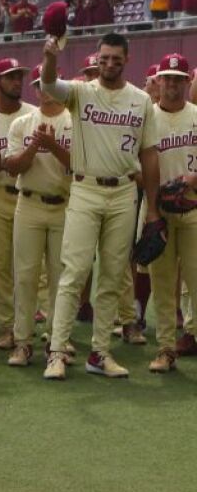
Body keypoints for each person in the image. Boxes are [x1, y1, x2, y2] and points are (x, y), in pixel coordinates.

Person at [40, 32, 161, 379]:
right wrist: (49, 55)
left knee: (111, 276)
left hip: (124, 192)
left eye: (116, 59)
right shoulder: (81, 92)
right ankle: (57, 352)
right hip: (86, 189)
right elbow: (49, 83)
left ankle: (99, 353)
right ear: (96, 58)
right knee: (74, 272)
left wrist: (152, 207)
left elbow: (149, 154)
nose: (109, 64)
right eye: (104, 58)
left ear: (127, 60)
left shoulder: (141, 101)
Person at [5, 67, 74, 366]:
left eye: (51, 84)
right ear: (35, 89)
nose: (45, 90)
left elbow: (81, 165)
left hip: (65, 203)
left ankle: (58, 341)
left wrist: (53, 145)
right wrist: (36, 145)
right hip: (29, 201)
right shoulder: (22, 123)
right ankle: (22, 341)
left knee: (62, 277)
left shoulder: (74, 120)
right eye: (40, 85)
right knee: (25, 276)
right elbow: (12, 167)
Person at [145, 53, 197, 372]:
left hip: (193, 208)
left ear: (188, 82)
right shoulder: (146, 118)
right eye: (168, 78)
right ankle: (166, 348)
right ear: (158, 81)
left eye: (179, 79)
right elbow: (132, 163)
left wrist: (193, 179)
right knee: (162, 284)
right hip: (158, 210)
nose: (173, 84)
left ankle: (192, 333)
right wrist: (154, 197)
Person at [0, 58, 37, 351]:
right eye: (10, 76)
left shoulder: (34, 115)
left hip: (26, 195)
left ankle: (30, 324)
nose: (17, 81)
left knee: (28, 267)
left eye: (19, 75)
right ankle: (7, 326)